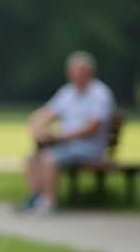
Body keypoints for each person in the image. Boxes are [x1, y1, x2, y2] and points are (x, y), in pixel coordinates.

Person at [21, 51, 115, 215]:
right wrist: (37, 126)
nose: (73, 76)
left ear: (89, 72)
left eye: (77, 72)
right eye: (71, 72)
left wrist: (65, 136)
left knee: (48, 157)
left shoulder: (100, 93)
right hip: (67, 144)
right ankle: (34, 199)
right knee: (32, 157)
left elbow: (94, 125)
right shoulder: (67, 92)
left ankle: (47, 202)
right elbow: (45, 113)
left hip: (89, 147)